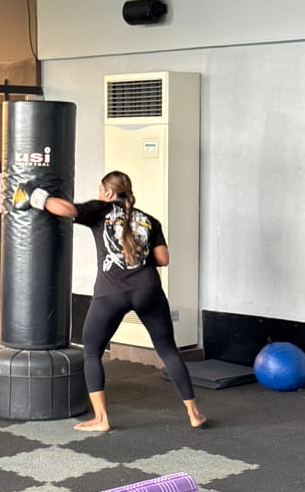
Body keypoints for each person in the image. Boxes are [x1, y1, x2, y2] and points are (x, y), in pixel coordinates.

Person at [14, 170, 207, 432]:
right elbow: (163, 259)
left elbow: (67, 209)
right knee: (168, 350)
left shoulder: (100, 209)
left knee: (92, 351)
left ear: (107, 193)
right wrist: (137, 255)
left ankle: (102, 419)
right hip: (148, 290)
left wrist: (35, 196)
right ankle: (194, 413)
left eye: (99, 190)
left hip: (110, 294)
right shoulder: (149, 220)